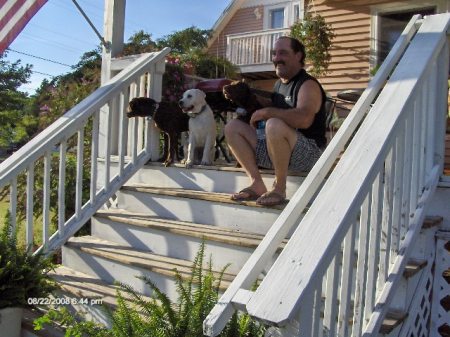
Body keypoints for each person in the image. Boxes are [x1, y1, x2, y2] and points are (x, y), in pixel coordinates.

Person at [224, 36, 327, 206]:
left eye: (283, 53)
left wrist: (268, 112)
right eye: (274, 53)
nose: (276, 58)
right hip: (279, 151)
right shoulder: (279, 85)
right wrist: (247, 98)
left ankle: (279, 188)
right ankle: (257, 183)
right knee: (232, 127)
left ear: (298, 56)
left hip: (309, 155)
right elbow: (277, 107)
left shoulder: (308, 84)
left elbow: (305, 119)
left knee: (274, 123)